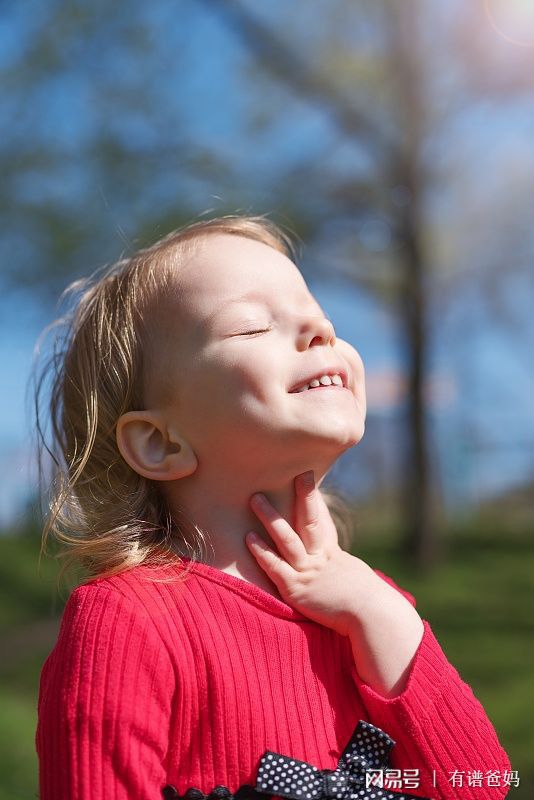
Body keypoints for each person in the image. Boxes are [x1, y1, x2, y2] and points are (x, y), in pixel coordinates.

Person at [34, 215, 512, 800]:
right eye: (252, 327)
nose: (319, 327)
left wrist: (382, 614)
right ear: (161, 442)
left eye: (317, 313)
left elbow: (479, 784)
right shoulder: (128, 621)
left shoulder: (370, 611)